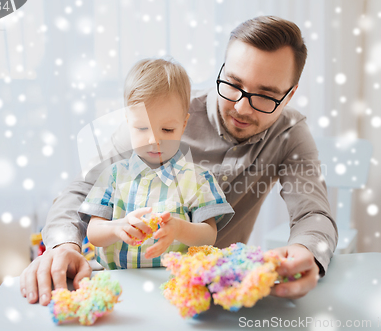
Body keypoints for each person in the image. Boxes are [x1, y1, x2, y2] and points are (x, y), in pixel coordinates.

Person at [20, 15, 338, 306]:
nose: (241, 108)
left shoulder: (290, 133)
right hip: (130, 285)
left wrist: (308, 253)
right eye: (233, 84)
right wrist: (64, 245)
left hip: (215, 295)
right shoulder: (161, 112)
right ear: (222, 69)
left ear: (290, 94)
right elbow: (82, 189)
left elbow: (314, 213)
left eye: (266, 96)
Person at [82, 58, 234, 269]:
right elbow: (94, 233)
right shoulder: (113, 176)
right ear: (128, 121)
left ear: (183, 124)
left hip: (174, 283)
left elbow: (209, 236)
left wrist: (179, 230)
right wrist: (117, 228)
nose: (154, 140)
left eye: (167, 130)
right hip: (118, 284)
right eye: (142, 129)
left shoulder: (197, 179)